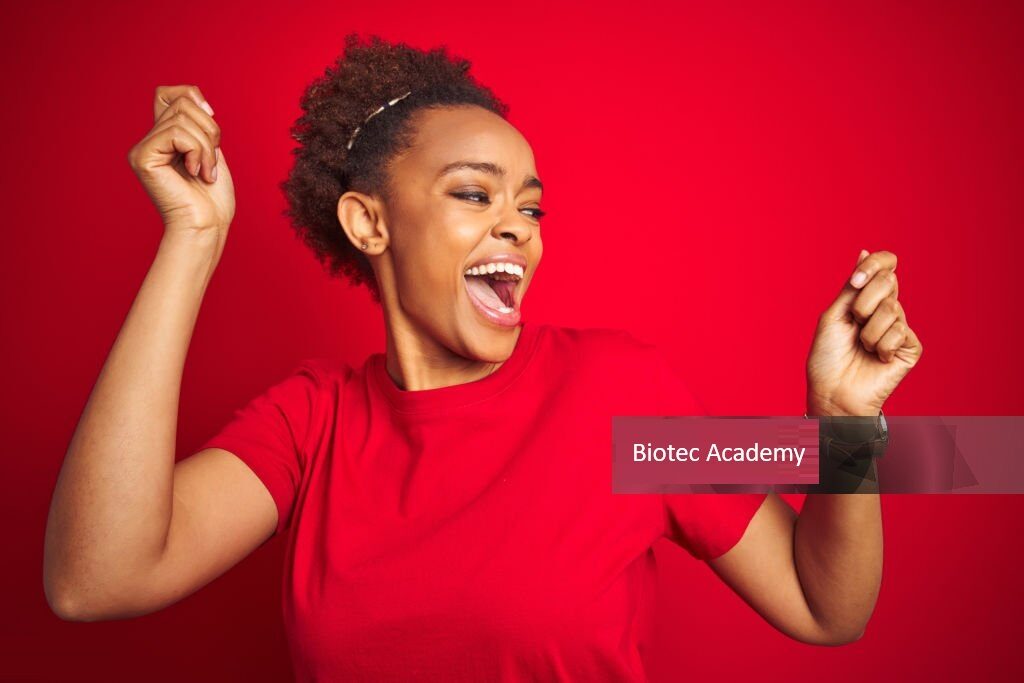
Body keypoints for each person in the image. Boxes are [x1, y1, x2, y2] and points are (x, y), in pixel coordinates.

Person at [43, 34, 923, 682]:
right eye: (474, 193)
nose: (518, 227)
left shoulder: (620, 403)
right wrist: (193, 238)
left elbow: (823, 607)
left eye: (531, 208)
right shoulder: (311, 425)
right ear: (370, 223)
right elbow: (95, 578)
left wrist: (845, 425)